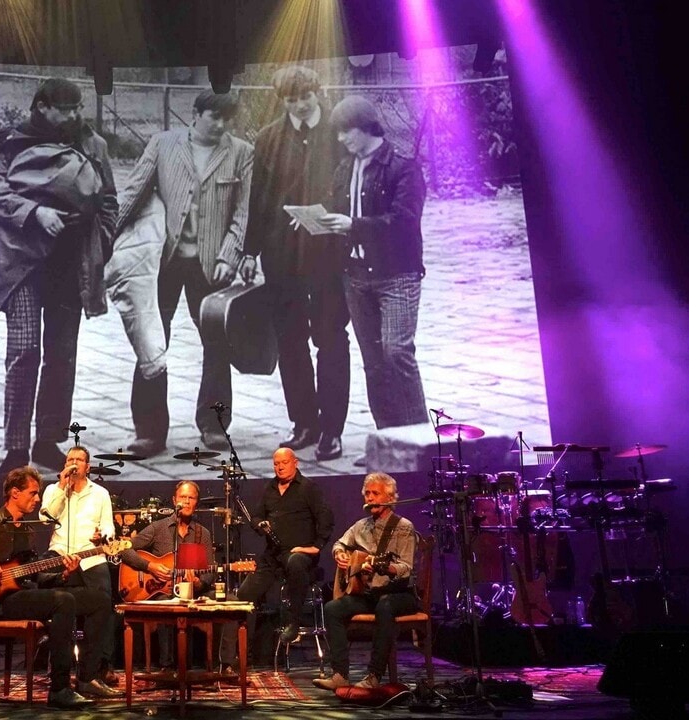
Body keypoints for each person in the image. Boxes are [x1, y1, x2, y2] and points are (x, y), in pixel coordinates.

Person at [0, 78, 118, 479]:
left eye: (78, 108)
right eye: (65, 109)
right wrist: (35, 213)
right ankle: (16, 448)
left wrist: (101, 243)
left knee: (62, 355)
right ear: (42, 106)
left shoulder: (93, 145)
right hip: (20, 264)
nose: (74, 116)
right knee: (23, 351)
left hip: (71, 265)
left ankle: (47, 441)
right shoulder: (10, 143)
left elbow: (109, 199)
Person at [115, 91, 254, 457]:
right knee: (151, 340)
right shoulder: (163, 144)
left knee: (217, 340)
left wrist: (230, 255)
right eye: (214, 117)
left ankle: (214, 424)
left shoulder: (241, 153)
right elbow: (133, 193)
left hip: (211, 263)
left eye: (227, 119)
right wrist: (108, 238)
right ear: (195, 114)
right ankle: (149, 431)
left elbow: (243, 212)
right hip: (163, 260)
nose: (221, 125)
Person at [239, 65, 351, 461]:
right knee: (290, 339)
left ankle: (332, 430)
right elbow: (259, 197)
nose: (301, 105)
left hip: (327, 254)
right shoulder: (269, 138)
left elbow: (349, 185)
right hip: (281, 254)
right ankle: (304, 423)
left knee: (330, 336)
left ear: (317, 93)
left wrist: (329, 212)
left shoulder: (338, 132)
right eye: (292, 100)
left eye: (306, 97)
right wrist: (250, 251)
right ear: (282, 101)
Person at [0, 465, 117, 708]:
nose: (37, 499)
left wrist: (63, 575)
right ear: (15, 493)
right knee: (63, 601)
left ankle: (87, 677)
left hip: (21, 594)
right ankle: (59, 689)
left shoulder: (27, 530)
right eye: (33, 493)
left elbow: (34, 576)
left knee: (99, 600)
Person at [317, 96, 429, 438]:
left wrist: (353, 225)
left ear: (366, 127)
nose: (341, 139)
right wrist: (317, 219)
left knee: (397, 352)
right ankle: (388, 439)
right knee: (374, 362)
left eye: (346, 131)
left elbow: (404, 221)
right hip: (355, 276)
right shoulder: (345, 168)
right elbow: (336, 209)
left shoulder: (403, 167)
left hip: (397, 275)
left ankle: (419, 439)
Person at [218, 447, 334, 674]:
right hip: (273, 555)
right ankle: (233, 659)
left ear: (295, 462)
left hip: (300, 555)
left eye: (284, 462)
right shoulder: (270, 488)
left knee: (295, 561)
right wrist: (260, 525)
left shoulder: (308, 488)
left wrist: (315, 547)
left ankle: (293, 623)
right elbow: (256, 516)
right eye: (276, 463)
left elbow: (326, 519)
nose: (280, 467)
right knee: (243, 596)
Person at [313, 472, 418, 690]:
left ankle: (374, 675)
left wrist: (385, 567)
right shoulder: (361, 526)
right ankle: (340, 674)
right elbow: (339, 544)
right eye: (367, 493)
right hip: (371, 594)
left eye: (375, 493)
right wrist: (340, 554)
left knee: (385, 606)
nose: (369, 498)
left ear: (390, 497)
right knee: (332, 608)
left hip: (400, 594)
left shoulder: (404, 527)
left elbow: (406, 569)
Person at [40, 445, 121, 687]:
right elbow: (46, 518)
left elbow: (109, 527)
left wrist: (102, 536)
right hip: (60, 554)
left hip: (91, 556)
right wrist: (61, 487)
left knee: (105, 602)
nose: (74, 463)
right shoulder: (53, 490)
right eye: (70, 460)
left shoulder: (100, 493)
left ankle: (98, 667)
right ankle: (57, 665)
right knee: (56, 602)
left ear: (88, 466)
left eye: (79, 460)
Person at [118, 480, 214, 672]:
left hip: (192, 592)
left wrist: (198, 582)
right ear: (174, 500)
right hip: (161, 591)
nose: (186, 501)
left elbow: (210, 570)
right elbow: (124, 549)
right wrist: (149, 566)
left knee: (230, 601)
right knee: (167, 602)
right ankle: (167, 667)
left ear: (197, 503)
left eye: (191, 498)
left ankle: (224, 665)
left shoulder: (201, 534)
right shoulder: (158, 528)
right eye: (183, 497)